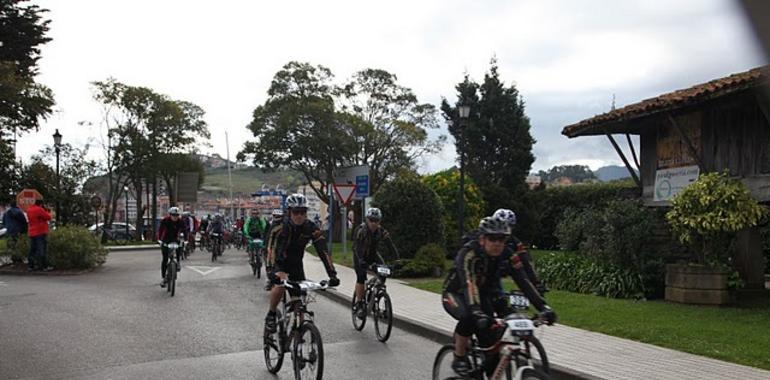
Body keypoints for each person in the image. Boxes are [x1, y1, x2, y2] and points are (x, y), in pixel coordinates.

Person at [443, 216, 556, 376]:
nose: (497, 243)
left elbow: (523, 281)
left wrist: (543, 307)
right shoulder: (469, 253)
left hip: (486, 294)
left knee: (493, 345)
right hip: (457, 293)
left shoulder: (508, 254)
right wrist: (477, 311)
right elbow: (469, 283)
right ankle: (459, 356)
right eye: (492, 238)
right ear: (482, 239)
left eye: (502, 239)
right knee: (469, 317)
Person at [265, 194, 339, 332]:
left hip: (296, 265)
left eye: (303, 212)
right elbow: (270, 249)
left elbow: (323, 251)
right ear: (289, 212)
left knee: (300, 303)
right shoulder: (279, 227)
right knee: (280, 285)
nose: (299, 215)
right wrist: (271, 271)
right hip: (279, 262)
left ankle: (299, 335)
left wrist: (332, 274)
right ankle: (271, 313)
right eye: (296, 212)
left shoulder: (311, 227)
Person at [352, 207, 400, 317]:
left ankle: (377, 295)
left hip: (373, 255)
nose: (373, 223)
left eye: (376, 221)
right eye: (371, 220)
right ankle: (359, 304)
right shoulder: (361, 230)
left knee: (383, 275)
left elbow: (390, 246)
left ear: (379, 221)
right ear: (367, 220)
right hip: (360, 255)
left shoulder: (381, 231)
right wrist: (361, 261)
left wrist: (397, 260)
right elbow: (357, 248)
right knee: (361, 277)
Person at [492, 208, 546, 295]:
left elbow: (525, 263)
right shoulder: (487, 240)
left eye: (510, 226)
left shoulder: (515, 243)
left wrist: (536, 283)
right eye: (502, 226)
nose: (506, 229)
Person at [157, 207, 186, 287]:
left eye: (176, 215)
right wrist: (159, 240)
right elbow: (160, 230)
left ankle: (178, 262)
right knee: (165, 259)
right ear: (170, 215)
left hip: (175, 238)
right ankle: (163, 278)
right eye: (173, 215)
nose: (175, 217)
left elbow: (185, 230)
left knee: (180, 246)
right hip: (166, 239)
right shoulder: (165, 220)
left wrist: (185, 240)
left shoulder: (181, 221)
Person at [26, 199, 52, 272]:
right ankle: (43, 266)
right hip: (40, 231)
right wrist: (47, 211)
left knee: (32, 249)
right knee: (41, 249)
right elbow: (48, 217)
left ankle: (31, 266)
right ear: (41, 204)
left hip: (32, 231)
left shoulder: (29, 209)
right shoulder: (39, 209)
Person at [263, 209, 284, 291]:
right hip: (270, 246)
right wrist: (264, 244)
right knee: (269, 264)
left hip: (281, 248)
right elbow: (266, 235)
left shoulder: (285, 225)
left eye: (279, 216)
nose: (277, 218)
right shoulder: (270, 224)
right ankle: (269, 280)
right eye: (275, 216)